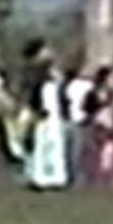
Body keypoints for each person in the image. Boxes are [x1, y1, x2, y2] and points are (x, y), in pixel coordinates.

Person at [21, 40, 70, 191]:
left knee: (54, 144)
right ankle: (40, 178)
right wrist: (37, 109)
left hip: (53, 111)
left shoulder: (51, 72)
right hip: (43, 111)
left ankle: (56, 178)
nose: (48, 52)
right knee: (42, 145)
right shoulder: (36, 73)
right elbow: (33, 92)